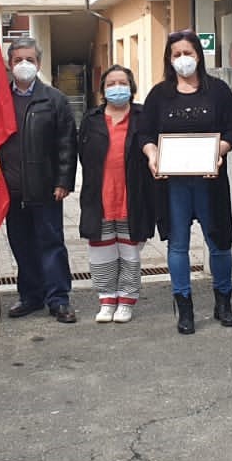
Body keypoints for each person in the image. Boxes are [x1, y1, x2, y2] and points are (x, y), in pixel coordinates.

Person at [138, 29, 232, 335]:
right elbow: (145, 134)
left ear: (199, 56)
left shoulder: (218, 91)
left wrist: (218, 154)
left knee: (219, 242)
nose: (184, 59)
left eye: (189, 53)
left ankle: (224, 302)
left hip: (210, 181)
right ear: (170, 60)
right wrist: (152, 154)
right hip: (173, 185)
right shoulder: (159, 94)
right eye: (177, 54)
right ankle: (184, 306)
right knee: (178, 245)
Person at [0, 38, 79, 323]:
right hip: (11, 189)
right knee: (21, 245)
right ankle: (30, 296)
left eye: (29, 59)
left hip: (45, 187)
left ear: (38, 63)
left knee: (51, 244)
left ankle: (58, 299)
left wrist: (64, 181)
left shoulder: (54, 99)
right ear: (9, 63)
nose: (23, 65)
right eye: (18, 59)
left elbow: (67, 143)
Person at [77, 66, 153, 323]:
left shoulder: (143, 116)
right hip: (99, 196)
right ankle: (107, 299)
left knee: (130, 252)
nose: (117, 87)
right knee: (101, 251)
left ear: (131, 88)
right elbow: (83, 155)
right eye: (111, 83)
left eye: (122, 82)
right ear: (103, 89)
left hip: (133, 195)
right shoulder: (91, 118)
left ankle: (127, 300)